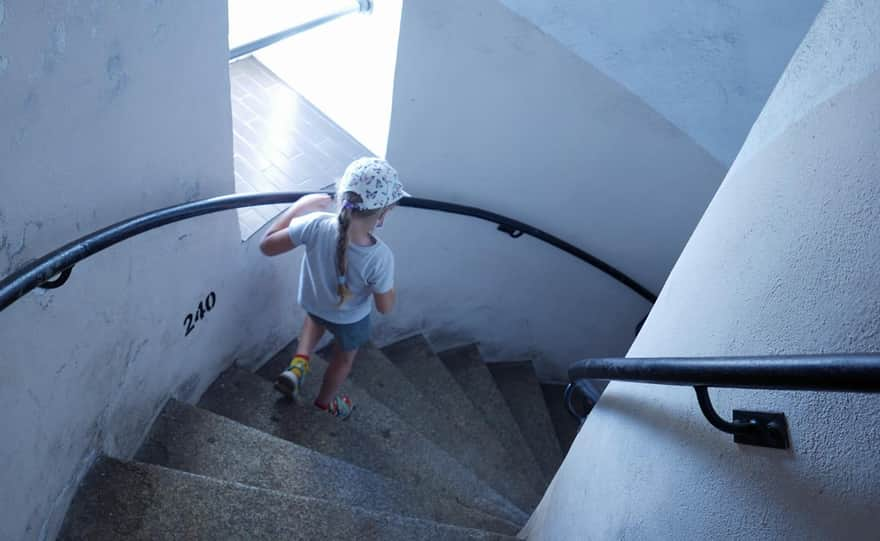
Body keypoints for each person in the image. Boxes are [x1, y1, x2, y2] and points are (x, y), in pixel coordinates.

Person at [259, 157, 408, 419]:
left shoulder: (315, 223)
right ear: (382, 214)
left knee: (314, 321)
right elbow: (385, 308)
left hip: (314, 302)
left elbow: (267, 246)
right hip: (350, 320)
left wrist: (300, 206)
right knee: (344, 359)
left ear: (343, 197)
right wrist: (389, 287)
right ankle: (324, 404)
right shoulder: (380, 257)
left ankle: (298, 365)